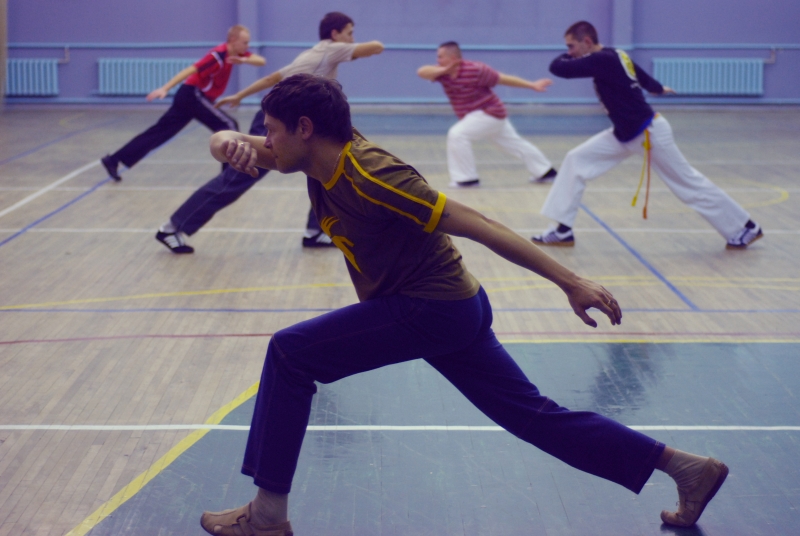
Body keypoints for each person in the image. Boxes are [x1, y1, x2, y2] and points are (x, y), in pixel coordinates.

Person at [198, 74, 728, 535]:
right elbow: (230, 142)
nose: (264, 140)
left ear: (305, 128)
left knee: (290, 353)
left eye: (270, 129)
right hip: (457, 305)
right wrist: (226, 143)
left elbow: (479, 224)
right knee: (535, 417)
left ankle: (266, 518)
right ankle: (686, 468)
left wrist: (570, 281)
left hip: (429, 308)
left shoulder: (374, 175)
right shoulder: (313, 155)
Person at [154, 12, 384, 253]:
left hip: (295, 123)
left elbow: (272, 78)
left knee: (324, 166)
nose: (352, 38)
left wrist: (239, 95)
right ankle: (173, 227)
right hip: (277, 122)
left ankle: (315, 231)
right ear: (335, 34)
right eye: (350, 33)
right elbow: (376, 47)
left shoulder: (312, 55)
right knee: (238, 177)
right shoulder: (331, 49)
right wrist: (357, 47)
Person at [532, 21, 763, 250]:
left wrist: (567, 56)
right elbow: (640, 75)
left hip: (648, 134)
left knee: (688, 184)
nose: (570, 52)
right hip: (624, 134)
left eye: (571, 46)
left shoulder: (603, 59)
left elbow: (559, 68)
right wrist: (657, 87)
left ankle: (745, 227)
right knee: (576, 159)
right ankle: (562, 230)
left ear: (587, 41)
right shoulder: (616, 55)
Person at [100, 25, 266, 182]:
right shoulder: (217, 56)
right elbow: (190, 70)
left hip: (189, 98)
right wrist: (165, 88)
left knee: (159, 132)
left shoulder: (236, 54)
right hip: (192, 94)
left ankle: (113, 160)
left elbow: (261, 61)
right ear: (233, 40)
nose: (247, 46)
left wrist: (243, 60)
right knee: (228, 125)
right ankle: (227, 178)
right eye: (245, 42)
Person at [417, 41, 558, 188]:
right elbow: (421, 72)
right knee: (514, 144)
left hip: (489, 112)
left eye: (440, 57)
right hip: (477, 116)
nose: (437, 60)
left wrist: (532, 85)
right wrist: (445, 69)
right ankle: (546, 172)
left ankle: (466, 179)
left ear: (452, 57)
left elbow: (503, 79)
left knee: (457, 134)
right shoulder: (441, 73)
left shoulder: (476, 69)